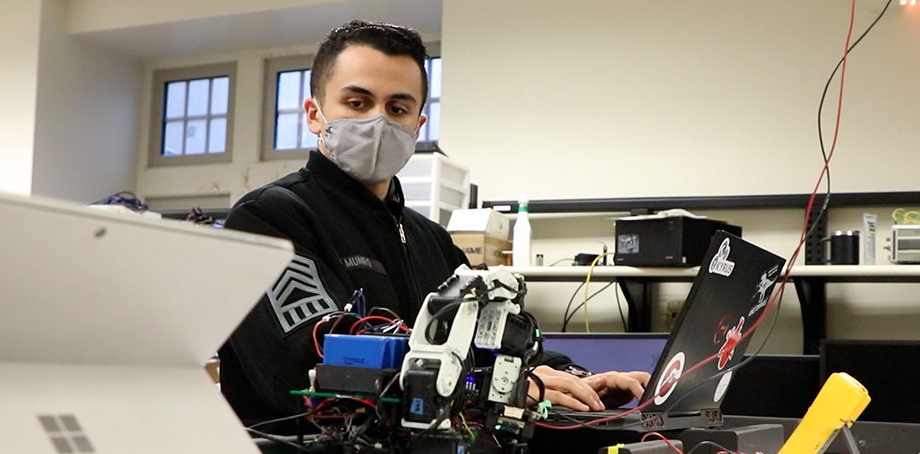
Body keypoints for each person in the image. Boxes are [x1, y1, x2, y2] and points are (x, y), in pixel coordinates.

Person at [218, 20, 649, 429]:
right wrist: (500, 388)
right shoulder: (267, 219)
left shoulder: (432, 241)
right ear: (314, 114)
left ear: (417, 124)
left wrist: (575, 378)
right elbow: (313, 369)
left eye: (398, 107)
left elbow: (496, 342)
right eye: (357, 102)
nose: (378, 121)